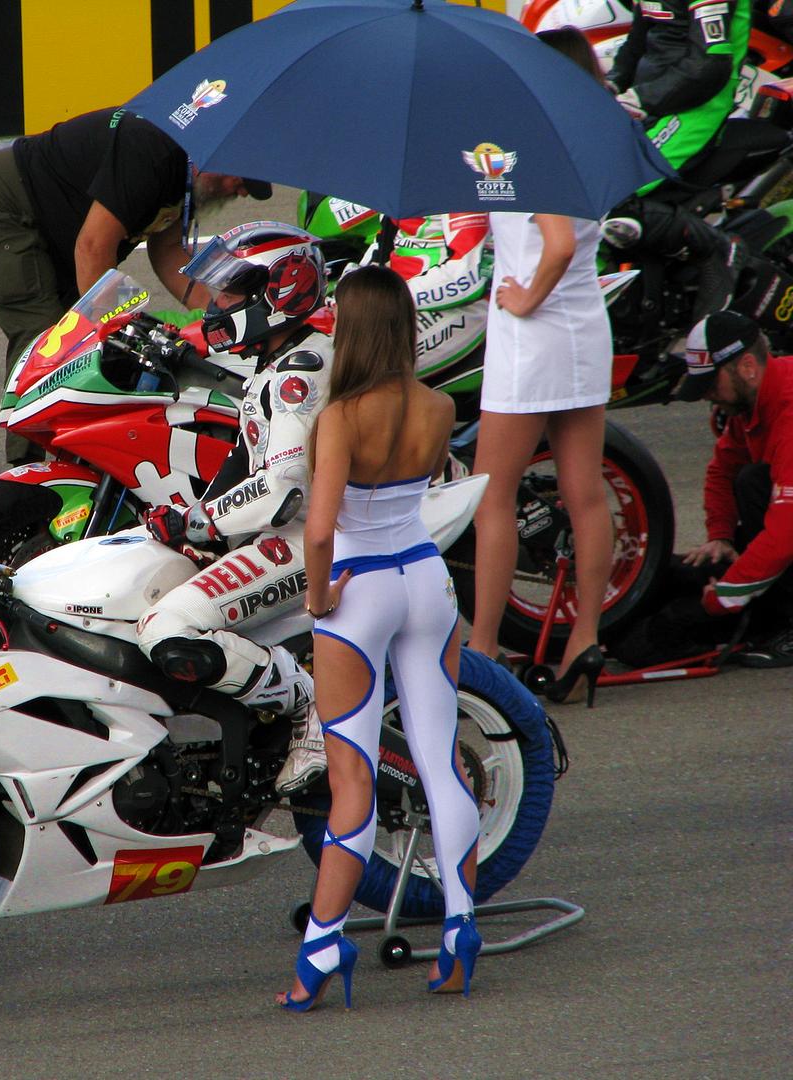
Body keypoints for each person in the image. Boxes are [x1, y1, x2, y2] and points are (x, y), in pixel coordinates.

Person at [277, 264, 481, 1011]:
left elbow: (320, 530)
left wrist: (318, 596)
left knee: (352, 775)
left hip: (358, 587)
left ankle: (324, 945)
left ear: (351, 330)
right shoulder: (439, 404)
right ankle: (461, 931)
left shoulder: (338, 416)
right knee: (441, 761)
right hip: (425, 576)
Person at [133, 222, 332, 795]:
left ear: (280, 291)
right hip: (293, 530)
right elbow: (247, 460)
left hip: (307, 538)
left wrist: (199, 522)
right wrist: (202, 526)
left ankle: (311, 703)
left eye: (230, 292)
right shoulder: (283, 356)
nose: (215, 306)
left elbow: (281, 488)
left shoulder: (300, 372)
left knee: (167, 629)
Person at [0, 106, 272, 463]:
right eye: (242, 179)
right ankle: (28, 465)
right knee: (48, 334)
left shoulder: (185, 175)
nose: (242, 192)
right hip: (8, 204)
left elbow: (167, 249)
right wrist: (113, 331)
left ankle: (79, 450)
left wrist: (214, 314)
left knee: (114, 333)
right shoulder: (152, 153)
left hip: (66, 232)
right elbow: (93, 248)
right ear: (213, 156)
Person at [467, 28, 616, 707]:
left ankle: (483, 650)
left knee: (490, 494)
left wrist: (525, 297)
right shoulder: (589, 137)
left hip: (534, 333)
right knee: (585, 493)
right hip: (583, 325)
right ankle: (585, 639)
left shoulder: (538, 143)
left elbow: (554, 244)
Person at [612, 310, 793, 665]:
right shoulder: (752, 402)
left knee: (754, 483)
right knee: (673, 577)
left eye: (711, 383)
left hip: (787, 529)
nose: (708, 395)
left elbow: (786, 531)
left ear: (747, 367)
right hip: (783, 526)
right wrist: (721, 536)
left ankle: (786, 625)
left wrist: (724, 597)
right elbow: (721, 471)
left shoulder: (788, 409)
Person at [604, 2, 753, 323]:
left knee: (612, 190)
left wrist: (641, 98)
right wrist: (611, 85)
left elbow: (710, 64)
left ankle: (718, 249)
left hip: (697, 108)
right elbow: (638, 40)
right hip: (651, 100)